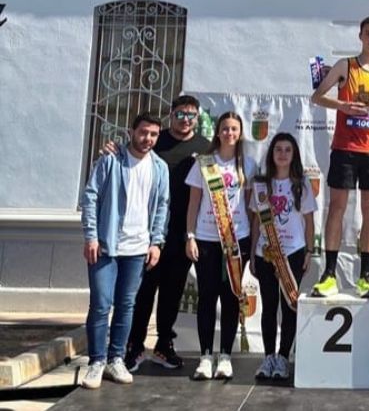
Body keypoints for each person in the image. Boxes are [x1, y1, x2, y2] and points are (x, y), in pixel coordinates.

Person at [79, 112, 170, 389]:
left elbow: (162, 206)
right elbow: (91, 197)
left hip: (137, 249)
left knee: (126, 305)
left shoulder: (159, 167)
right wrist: (91, 236)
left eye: (153, 134)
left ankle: (116, 358)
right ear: (131, 131)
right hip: (106, 245)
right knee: (100, 304)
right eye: (143, 132)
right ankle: (96, 361)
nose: (148, 139)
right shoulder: (111, 159)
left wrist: (156, 242)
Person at [123, 95, 211, 372]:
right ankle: (135, 345)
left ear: (197, 118)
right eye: (180, 114)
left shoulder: (204, 148)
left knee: (172, 292)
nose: (185, 120)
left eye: (191, 115)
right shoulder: (154, 141)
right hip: (148, 231)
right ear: (171, 115)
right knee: (144, 291)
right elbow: (127, 156)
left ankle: (163, 345)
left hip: (184, 233)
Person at [310, 15, 369, 298]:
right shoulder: (345, 65)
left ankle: (365, 275)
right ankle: (329, 274)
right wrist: (342, 106)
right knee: (337, 207)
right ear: (360, 36)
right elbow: (317, 97)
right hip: (345, 147)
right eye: (368, 33)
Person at [185, 111, 256, 380]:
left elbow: (250, 206)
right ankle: (205, 356)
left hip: (237, 240)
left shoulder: (248, 164)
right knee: (207, 297)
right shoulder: (204, 163)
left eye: (234, 129)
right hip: (206, 238)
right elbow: (193, 202)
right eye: (225, 128)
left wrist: (253, 242)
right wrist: (190, 236)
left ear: (240, 133)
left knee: (231, 296)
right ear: (218, 132)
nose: (229, 133)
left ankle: (225, 355)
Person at [249, 133, 317, 380]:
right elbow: (256, 222)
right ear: (272, 153)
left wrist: (309, 251)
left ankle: (284, 357)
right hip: (266, 253)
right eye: (278, 149)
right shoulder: (261, 185)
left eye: (288, 150)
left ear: (294, 154)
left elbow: (309, 221)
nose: (283, 154)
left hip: (294, 253)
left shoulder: (302, 184)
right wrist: (253, 253)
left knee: (290, 307)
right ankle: (268, 356)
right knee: (269, 306)